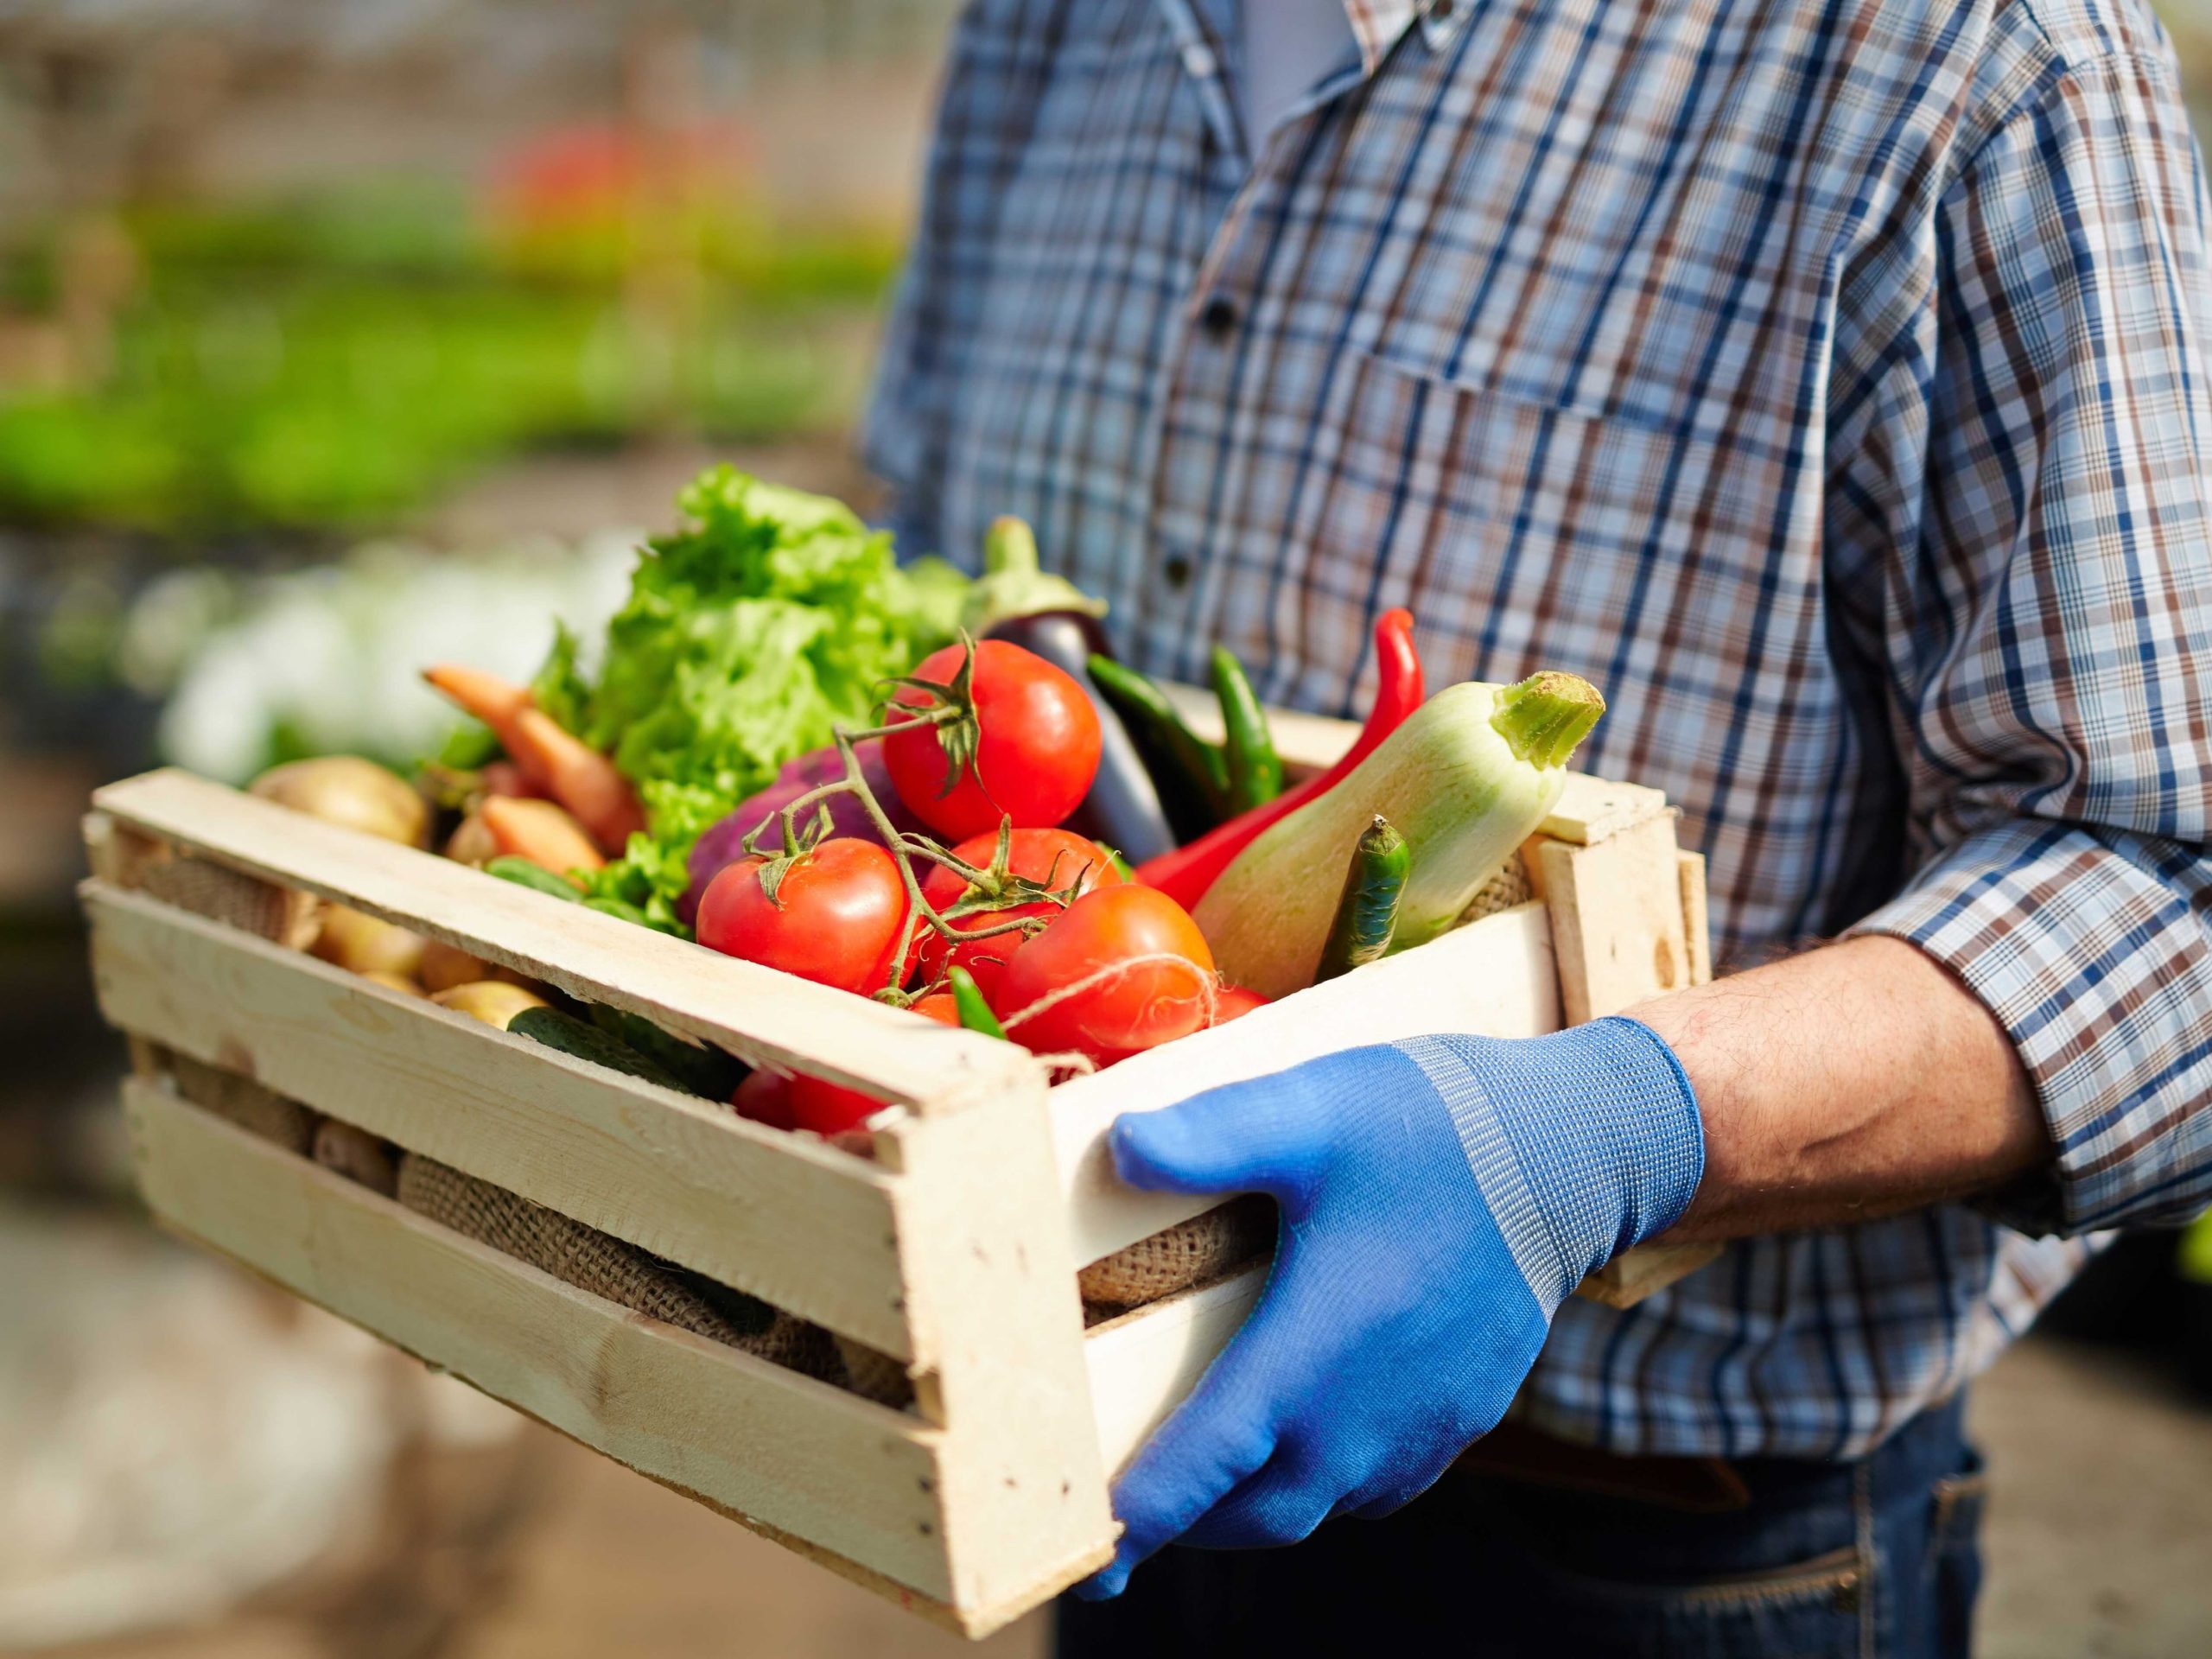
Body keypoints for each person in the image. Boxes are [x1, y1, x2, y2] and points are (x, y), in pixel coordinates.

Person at [861, 2, 2212, 1654]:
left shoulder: (1970, 55)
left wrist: (1603, 1138)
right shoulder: (1045, 30)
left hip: (1663, 1566)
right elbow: (938, 625)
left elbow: (2171, 895)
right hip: (1123, 1480)